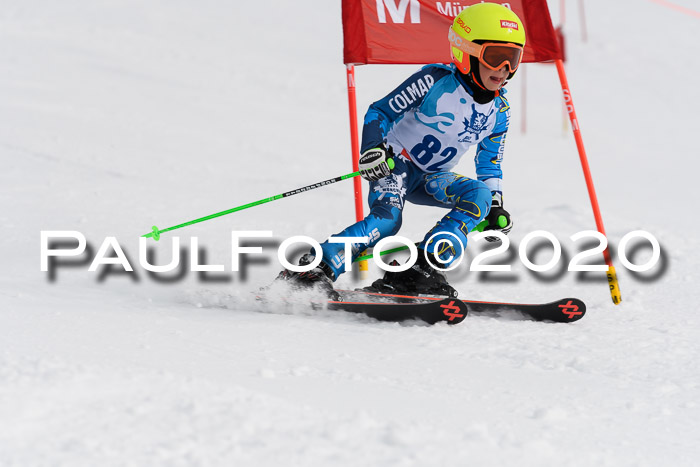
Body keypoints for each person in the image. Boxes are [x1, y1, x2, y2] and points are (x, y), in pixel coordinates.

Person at [276, 3, 525, 298]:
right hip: (395, 164)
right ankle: (313, 268)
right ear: (465, 51)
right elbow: (379, 112)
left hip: (434, 177)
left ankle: (417, 268)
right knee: (389, 219)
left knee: (479, 197)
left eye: (513, 59)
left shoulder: (500, 111)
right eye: (495, 57)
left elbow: (490, 164)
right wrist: (373, 150)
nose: (505, 69)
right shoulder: (433, 82)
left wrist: (495, 205)